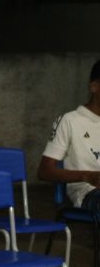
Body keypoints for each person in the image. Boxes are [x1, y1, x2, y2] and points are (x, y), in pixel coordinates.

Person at [37, 59, 100, 210]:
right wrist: (86, 176)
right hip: (88, 192)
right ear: (94, 87)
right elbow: (44, 171)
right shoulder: (70, 121)